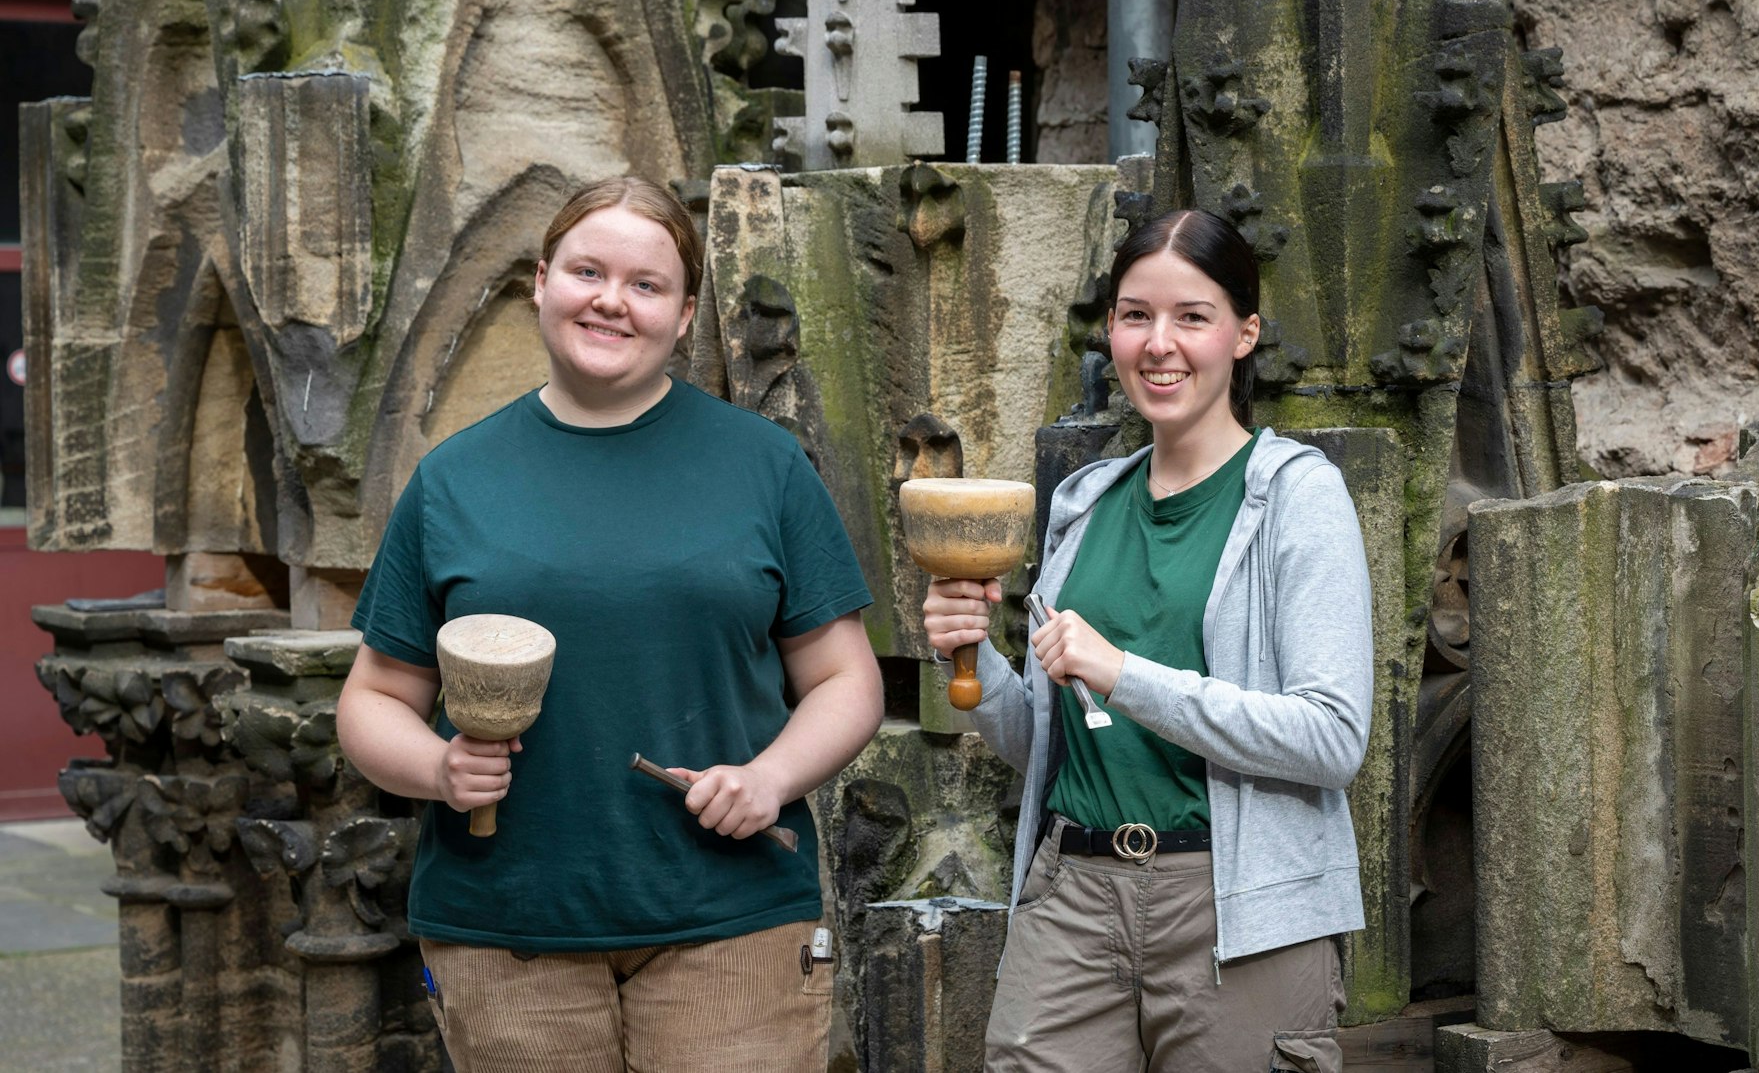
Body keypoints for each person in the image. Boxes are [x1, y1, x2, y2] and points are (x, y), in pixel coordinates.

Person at [336, 176, 882, 1073]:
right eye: (588, 270)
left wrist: (771, 776)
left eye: (645, 283)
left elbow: (845, 679)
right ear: (541, 282)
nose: (610, 301)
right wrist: (437, 767)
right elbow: (374, 700)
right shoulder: (453, 479)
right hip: (507, 926)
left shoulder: (765, 467)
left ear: (685, 312)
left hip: (729, 915)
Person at [924, 209, 1372, 1072]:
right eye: (1135, 315)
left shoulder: (1297, 498)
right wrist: (966, 655)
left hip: (1234, 907)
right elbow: (1049, 742)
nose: (1158, 344)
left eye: (1191, 317)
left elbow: (1332, 737)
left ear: (1244, 334)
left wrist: (1127, 674)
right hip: (1072, 893)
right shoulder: (1084, 503)